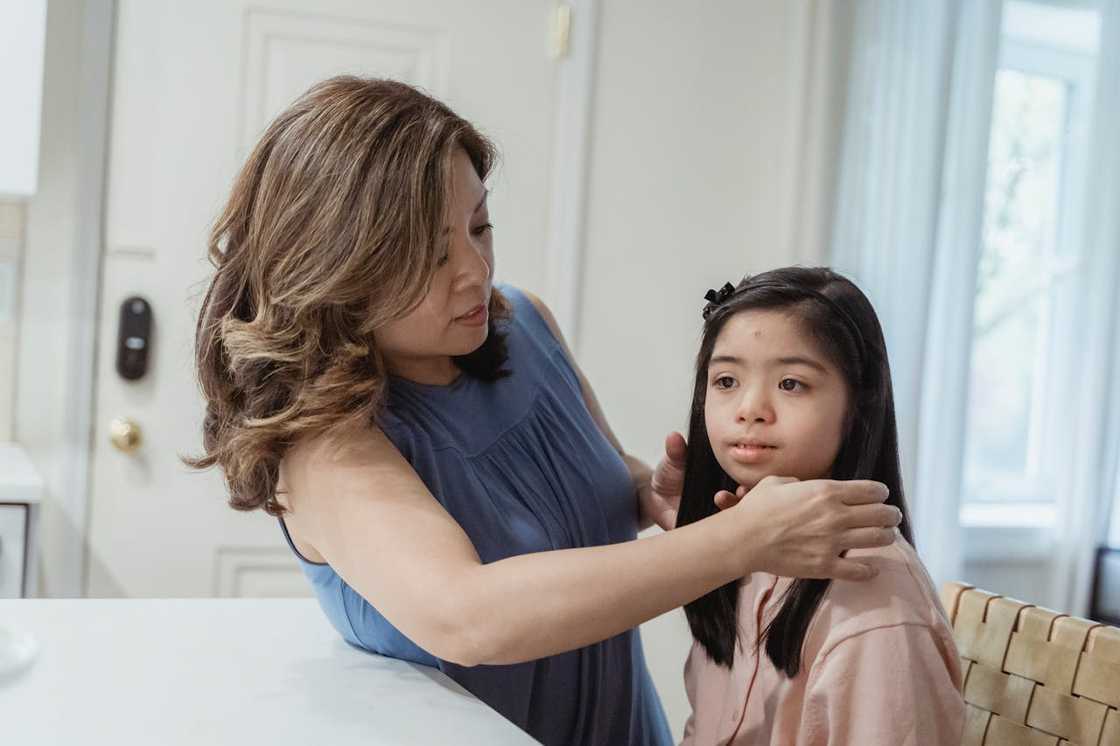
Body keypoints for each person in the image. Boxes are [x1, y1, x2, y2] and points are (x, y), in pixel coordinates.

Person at [186, 76, 903, 746]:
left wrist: (648, 494)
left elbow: (582, 487)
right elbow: (469, 616)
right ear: (339, 267)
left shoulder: (523, 325)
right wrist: (741, 541)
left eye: (480, 226)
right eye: (432, 256)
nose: (475, 270)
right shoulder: (324, 447)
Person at [676, 267, 964, 745]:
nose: (750, 408)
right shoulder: (732, 546)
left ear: (858, 405)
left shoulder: (875, 604)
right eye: (726, 380)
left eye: (791, 384)